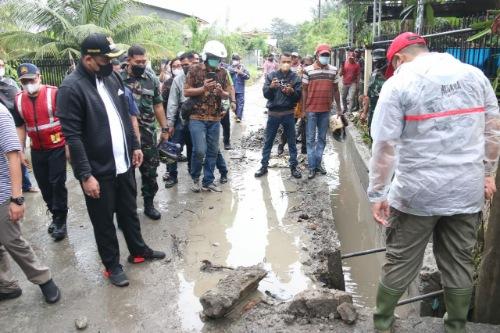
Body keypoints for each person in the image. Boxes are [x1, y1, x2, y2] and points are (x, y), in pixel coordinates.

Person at [368, 32, 500, 333]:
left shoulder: (398, 83)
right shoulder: (475, 76)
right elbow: (493, 130)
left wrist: (378, 192)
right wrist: (487, 172)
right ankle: (455, 326)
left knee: (401, 260)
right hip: (465, 189)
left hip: (417, 193)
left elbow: (385, 145)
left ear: (398, 59)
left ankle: (383, 323)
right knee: (459, 262)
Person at [57, 33, 165, 287]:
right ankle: (112, 265)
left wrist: (135, 146)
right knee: (104, 222)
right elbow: (72, 137)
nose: (111, 62)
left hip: (124, 163)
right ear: (88, 59)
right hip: (98, 171)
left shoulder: (110, 77)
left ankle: (138, 251)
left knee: (129, 212)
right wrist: (85, 175)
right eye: (106, 58)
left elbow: (125, 115)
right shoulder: (71, 89)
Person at [0, 103, 60, 303]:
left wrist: (16, 198)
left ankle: (44, 279)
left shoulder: (0, 114)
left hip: (2, 194)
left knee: (12, 241)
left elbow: (13, 155)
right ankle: (6, 285)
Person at [12, 63, 68, 241]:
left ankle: (61, 220)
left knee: (57, 183)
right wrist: (20, 151)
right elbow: (20, 127)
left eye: (31, 79)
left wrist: (68, 146)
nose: (29, 84)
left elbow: (67, 120)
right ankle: (54, 214)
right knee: (44, 185)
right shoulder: (19, 100)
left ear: (39, 76)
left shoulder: (54, 93)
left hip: (57, 146)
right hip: (37, 150)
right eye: (24, 81)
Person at [121, 45, 169, 221]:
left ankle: (149, 204)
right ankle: (128, 211)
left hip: (148, 133)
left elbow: (157, 105)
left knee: (150, 172)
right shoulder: (117, 79)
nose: (142, 64)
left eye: (144, 61)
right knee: (126, 176)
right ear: (129, 60)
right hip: (125, 135)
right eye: (138, 61)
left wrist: (164, 128)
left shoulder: (151, 78)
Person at [184, 40, 231, 193]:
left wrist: (221, 93)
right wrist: (203, 88)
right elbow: (186, 91)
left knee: (212, 150)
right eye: (213, 57)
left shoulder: (223, 73)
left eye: (219, 58)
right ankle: (195, 177)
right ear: (206, 56)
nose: (216, 61)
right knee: (199, 150)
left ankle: (208, 181)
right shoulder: (194, 70)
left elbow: (227, 94)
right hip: (196, 116)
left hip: (215, 118)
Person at [254, 52, 302, 179]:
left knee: (292, 141)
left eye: (288, 61)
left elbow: (298, 97)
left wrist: (291, 92)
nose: (286, 64)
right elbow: (266, 94)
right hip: (273, 114)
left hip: (288, 113)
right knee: (268, 141)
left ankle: (294, 166)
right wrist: (271, 87)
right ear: (279, 62)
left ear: (291, 63)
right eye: (283, 61)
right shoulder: (271, 76)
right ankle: (264, 166)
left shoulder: (295, 77)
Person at [302, 44, 341, 179]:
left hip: (325, 110)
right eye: (322, 55)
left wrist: (340, 108)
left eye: (327, 55)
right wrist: (303, 110)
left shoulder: (334, 70)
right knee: (310, 139)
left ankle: (317, 163)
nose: (325, 57)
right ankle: (312, 167)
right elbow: (304, 90)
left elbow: (336, 90)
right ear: (317, 55)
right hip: (311, 110)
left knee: (322, 139)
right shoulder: (308, 70)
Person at [0, 58, 38, 194]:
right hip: (9, 124)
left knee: (15, 154)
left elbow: (16, 103)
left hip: (12, 123)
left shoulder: (8, 83)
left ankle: (25, 186)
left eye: (2, 64)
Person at [164, 53, 193, 188]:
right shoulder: (178, 80)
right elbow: (172, 103)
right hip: (181, 118)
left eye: (187, 64)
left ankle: (194, 173)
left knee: (194, 148)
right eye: (183, 65)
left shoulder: (201, 77)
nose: (185, 67)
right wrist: (170, 123)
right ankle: (172, 175)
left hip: (196, 117)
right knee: (172, 148)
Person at [360, 49, 386, 133]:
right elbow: (368, 96)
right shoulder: (374, 74)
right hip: (375, 111)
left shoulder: (392, 76)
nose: (377, 64)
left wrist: (364, 112)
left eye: (378, 62)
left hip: (385, 114)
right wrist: (364, 112)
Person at [228, 54, 250, 124]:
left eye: (236, 60)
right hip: (232, 90)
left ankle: (239, 117)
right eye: (234, 59)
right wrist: (235, 70)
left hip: (240, 89)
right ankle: (236, 114)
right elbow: (228, 72)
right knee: (233, 104)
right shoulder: (230, 68)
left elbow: (248, 76)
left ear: (239, 61)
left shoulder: (243, 68)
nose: (235, 61)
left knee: (240, 103)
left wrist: (241, 73)